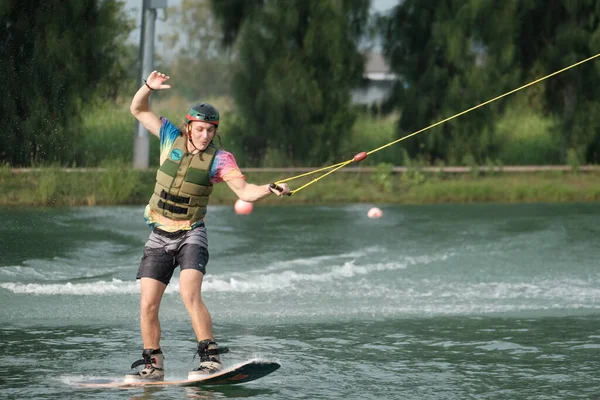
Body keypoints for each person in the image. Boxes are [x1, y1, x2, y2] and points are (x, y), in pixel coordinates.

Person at [125, 70, 290, 382]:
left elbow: (244, 191)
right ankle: (153, 364)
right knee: (147, 304)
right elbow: (138, 109)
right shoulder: (168, 137)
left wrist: (269, 188)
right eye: (200, 129)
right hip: (159, 235)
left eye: (210, 131)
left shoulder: (221, 159)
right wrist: (148, 87)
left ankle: (209, 357)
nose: (205, 136)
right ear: (188, 127)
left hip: (191, 234)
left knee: (189, 293)